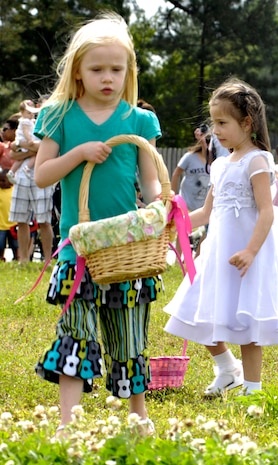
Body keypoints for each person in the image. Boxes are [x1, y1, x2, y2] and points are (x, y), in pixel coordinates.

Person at [32, 13, 162, 435]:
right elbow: (42, 174)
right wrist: (79, 153)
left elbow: (150, 181)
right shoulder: (60, 116)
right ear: (78, 72)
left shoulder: (139, 122)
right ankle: (68, 423)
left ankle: (139, 419)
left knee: (129, 337)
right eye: (97, 69)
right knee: (76, 331)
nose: (108, 78)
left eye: (116, 69)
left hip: (125, 248)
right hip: (79, 248)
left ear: (129, 72)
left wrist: (161, 209)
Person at [164, 78, 278, 398]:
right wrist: (173, 221)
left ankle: (252, 388)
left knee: (246, 322)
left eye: (223, 123)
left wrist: (252, 251)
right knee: (198, 310)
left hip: (247, 254)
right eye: (214, 123)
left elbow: (266, 211)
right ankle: (226, 369)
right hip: (218, 252)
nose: (216, 131)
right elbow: (207, 213)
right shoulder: (222, 164)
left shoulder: (258, 160)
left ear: (247, 122)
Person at [8, 103, 54, 264]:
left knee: (44, 221)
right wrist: (29, 148)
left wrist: (23, 147)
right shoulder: (26, 125)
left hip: (41, 176)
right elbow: (13, 154)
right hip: (22, 177)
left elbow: (44, 148)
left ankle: (48, 259)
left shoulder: (50, 128)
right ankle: (24, 260)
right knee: (21, 219)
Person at [171, 125, 213, 211]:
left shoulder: (215, 160)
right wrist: (173, 197)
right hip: (186, 206)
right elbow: (176, 174)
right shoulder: (189, 157)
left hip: (205, 209)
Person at [7, 100, 40, 184]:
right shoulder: (25, 121)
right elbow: (25, 132)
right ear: (22, 112)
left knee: (21, 159)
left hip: (22, 143)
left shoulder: (29, 121)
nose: (31, 115)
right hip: (25, 141)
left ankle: (12, 171)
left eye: (32, 112)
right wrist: (29, 140)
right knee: (33, 155)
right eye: (29, 113)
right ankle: (27, 168)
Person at [0, 170, 18, 261]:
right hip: (1, 225)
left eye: (3, 181)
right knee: (0, 244)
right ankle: (1, 258)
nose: (1, 183)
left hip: (13, 224)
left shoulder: (14, 190)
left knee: (15, 244)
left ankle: (17, 258)